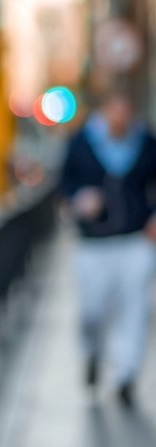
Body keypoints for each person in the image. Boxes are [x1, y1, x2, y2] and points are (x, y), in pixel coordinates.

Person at [59, 90, 156, 408]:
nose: (120, 117)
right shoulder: (81, 142)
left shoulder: (145, 142)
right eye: (115, 109)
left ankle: (125, 375)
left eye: (125, 110)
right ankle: (91, 354)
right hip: (93, 244)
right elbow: (64, 182)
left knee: (134, 308)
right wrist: (79, 199)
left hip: (134, 241)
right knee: (92, 311)